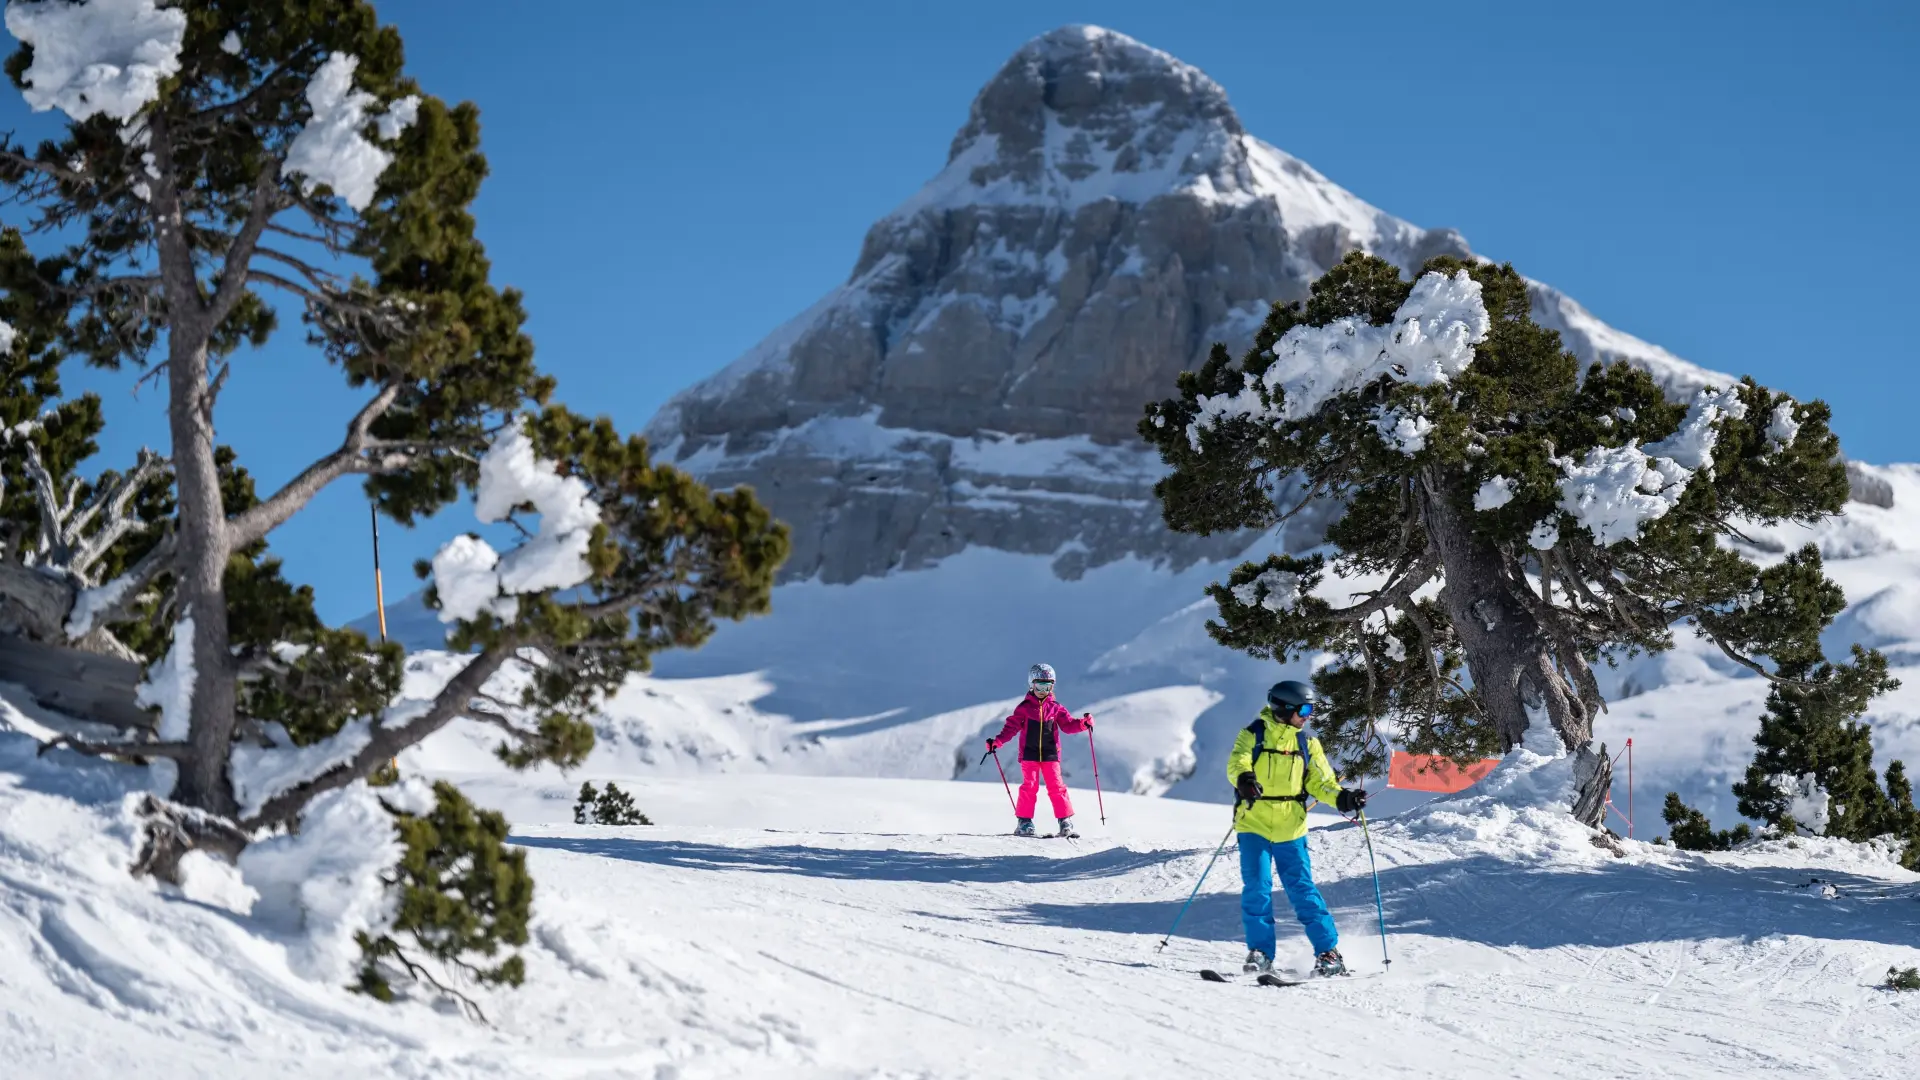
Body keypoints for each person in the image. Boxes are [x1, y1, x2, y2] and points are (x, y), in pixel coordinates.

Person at [1228, 679, 1369, 977]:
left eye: (1311, 709)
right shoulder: (1253, 735)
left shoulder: (1307, 743)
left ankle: (1329, 954)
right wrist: (1245, 780)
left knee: (1302, 890)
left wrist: (1343, 798)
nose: (1308, 716)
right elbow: (1238, 763)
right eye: (1304, 709)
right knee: (1257, 889)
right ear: (1284, 708)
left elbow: (1321, 782)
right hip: (1253, 824)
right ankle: (1261, 953)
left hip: (1290, 828)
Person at [986, 663, 1093, 837]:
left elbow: (1068, 725)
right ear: (1031, 685)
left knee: (1057, 787)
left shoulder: (1056, 708)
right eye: (1040, 686)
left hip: (1051, 754)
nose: (1044, 690)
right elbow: (1011, 728)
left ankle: (1065, 820)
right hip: (1030, 754)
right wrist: (997, 741)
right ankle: (1025, 822)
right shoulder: (1024, 708)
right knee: (1029, 787)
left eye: (1048, 686)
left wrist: (1083, 724)